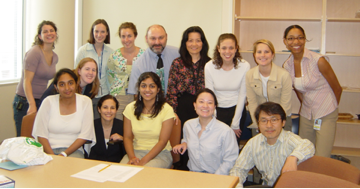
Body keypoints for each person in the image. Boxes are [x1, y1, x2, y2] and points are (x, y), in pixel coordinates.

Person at [282, 25, 342, 157]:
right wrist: (305, 104)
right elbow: (297, 88)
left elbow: (337, 88)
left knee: (322, 156)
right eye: (291, 38)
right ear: (285, 42)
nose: (296, 42)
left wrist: (331, 109)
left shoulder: (318, 60)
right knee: (304, 153)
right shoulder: (287, 65)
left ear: (305, 40)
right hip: (306, 113)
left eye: (300, 38)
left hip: (326, 112)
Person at [229, 102, 315, 188]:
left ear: (283, 122)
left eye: (274, 120)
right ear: (258, 124)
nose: (269, 125)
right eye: (264, 121)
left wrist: (293, 157)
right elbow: (238, 169)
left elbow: (308, 145)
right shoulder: (253, 143)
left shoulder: (289, 139)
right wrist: (238, 185)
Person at [166, 26, 211, 170]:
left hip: (203, 108)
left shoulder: (211, 64)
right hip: (182, 108)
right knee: (183, 142)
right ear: (185, 43)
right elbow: (171, 90)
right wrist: (172, 111)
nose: (194, 44)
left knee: (201, 140)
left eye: (198, 40)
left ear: (203, 43)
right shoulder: (177, 63)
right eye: (190, 40)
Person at [32, 68, 96, 158]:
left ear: (76, 84)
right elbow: (41, 134)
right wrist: (52, 156)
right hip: (47, 150)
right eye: (62, 84)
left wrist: (63, 154)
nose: (67, 88)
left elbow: (85, 135)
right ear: (56, 87)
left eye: (70, 83)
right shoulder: (48, 102)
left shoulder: (85, 102)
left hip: (73, 151)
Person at [172, 88, 238, 175]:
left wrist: (215, 178)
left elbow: (230, 160)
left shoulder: (225, 131)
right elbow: (187, 139)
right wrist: (184, 144)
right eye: (201, 102)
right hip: (194, 174)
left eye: (210, 102)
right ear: (195, 105)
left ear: (214, 107)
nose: (205, 106)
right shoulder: (188, 125)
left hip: (217, 176)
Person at [13, 20, 58, 137]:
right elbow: (27, 81)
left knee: (37, 138)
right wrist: (31, 104)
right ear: (40, 36)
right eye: (45, 31)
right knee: (24, 139)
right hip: (25, 101)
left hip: (40, 100)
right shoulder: (35, 52)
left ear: (56, 34)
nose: (49, 33)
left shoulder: (55, 56)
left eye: (52, 30)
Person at [120, 72, 174, 168]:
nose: (147, 90)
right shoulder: (130, 108)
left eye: (152, 86)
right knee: (120, 171)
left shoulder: (167, 109)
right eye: (143, 86)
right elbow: (127, 137)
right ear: (139, 88)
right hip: (135, 152)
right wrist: (132, 157)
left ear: (158, 89)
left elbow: (162, 141)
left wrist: (143, 161)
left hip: (160, 154)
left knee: (144, 173)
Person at [205, 33, 250, 142]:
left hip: (237, 110)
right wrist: (213, 119)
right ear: (218, 49)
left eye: (231, 48)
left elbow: (242, 95)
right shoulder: (209, 66)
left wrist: (235, 123)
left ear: (236, 49)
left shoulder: (244, 66)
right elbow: (209, 95)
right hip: (216, 110)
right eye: (224, 48)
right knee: (215, 144)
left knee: (232, 145)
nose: (227, 52)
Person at [246, 39, 292, 133]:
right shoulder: (249, 75)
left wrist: (275, 123)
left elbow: (285, 105)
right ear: (254, 55)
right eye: (259, 52)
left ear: (272, 54)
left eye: (266, 52)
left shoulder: (284, 75)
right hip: (259, 120)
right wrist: (258, 123)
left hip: (281, 120)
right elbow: (252, 102)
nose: (262, 55)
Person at [75, 19, 113, 119]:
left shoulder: (111, 53)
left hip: (104, 95)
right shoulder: (83, 51)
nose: (99, 35)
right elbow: (76, 73)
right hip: (87, 94)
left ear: (107, 33)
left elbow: (111, 76)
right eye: (96, 31)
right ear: (92, 32)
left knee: (99, 125)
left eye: (102, 31)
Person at [127, 24, 179, 96]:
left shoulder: (178, 55)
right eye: (153, 38)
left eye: (161, 38)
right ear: (146, 38)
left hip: (176, 103)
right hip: (150, 105)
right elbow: (135, 93)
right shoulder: (139, 64)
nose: (157, 42)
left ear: (166, 37)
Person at [107, 22, 144, 120]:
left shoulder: (144, 55)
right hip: (119, 96)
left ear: (135, 36)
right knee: (119, 124)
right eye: (123, 36)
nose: (126, 40)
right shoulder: (114, 55)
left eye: (129, 36)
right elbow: (110, 75)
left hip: (139, 96)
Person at [89, 95, 126, 162]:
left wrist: (123, 139)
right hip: (94, 165)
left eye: (112, 108)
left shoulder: (124, 126)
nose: (109, 111)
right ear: (99, 109)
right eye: (105, 107)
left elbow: (132, 146)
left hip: (117, 166)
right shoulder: (91, 126)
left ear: (116, 110)